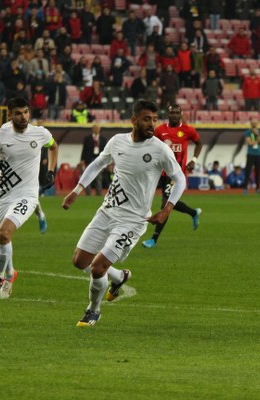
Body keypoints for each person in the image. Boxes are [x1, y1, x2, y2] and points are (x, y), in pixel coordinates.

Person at [62, 99, 186, 327]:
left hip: (133, 221)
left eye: (155, 120)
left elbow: (180, 179)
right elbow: (98, 163)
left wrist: (167, 209)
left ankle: (93, 310)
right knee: (79, 262)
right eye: (147, 119)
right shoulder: (117, 141)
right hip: (106, 212)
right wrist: (77, 191)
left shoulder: (160, 149)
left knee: (98, 268)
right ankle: (119, 277)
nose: (152, 124)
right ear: (134, 120)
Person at [0, 97, 58, 298]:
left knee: (3, 234)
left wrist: (51, 170)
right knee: (4, 238)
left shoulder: (40, 133)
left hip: (27, 195)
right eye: (18, 113)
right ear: (10, 114)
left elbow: (53, 147)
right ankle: (11, 273)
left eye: (26, 112)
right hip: (3, 194)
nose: (24, 117)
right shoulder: (0, 135)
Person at [142, 104, 203, 249]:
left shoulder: (187, 130)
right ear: (168, 114)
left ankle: (153, 239)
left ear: (180, 114)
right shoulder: (160, 130)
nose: (174, 115)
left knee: (166, 204)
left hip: (175, 173)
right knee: (169, 201)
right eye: (172, 113)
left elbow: (199, 143)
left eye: (177, 113)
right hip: (160, 172)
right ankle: (194, 212)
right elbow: (151, 145)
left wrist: (193, 160)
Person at [80, 124, 107, 196]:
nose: (96, 130)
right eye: (95, 128)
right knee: (88, 176)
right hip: (89, 160)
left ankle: (98, 193)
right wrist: (82, 160)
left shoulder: (103, 139)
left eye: (98, 128)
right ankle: (88, 193)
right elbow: (84, 150)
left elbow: (105, 151)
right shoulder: (87, 138)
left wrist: (105, 162)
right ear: (92, 129)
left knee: (99, 178)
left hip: (99, 160)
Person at [242, 118, 260, 195]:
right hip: (251, 154)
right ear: (251, 124)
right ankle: (245, 188)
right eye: (252, 123)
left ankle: (258, 188)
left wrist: (257, 134)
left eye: (255, 123)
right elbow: (249, 142)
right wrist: (257, 141)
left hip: (258, 154)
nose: (254, 124)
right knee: (248, 171)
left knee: (258, 171)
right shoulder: (248, 132)